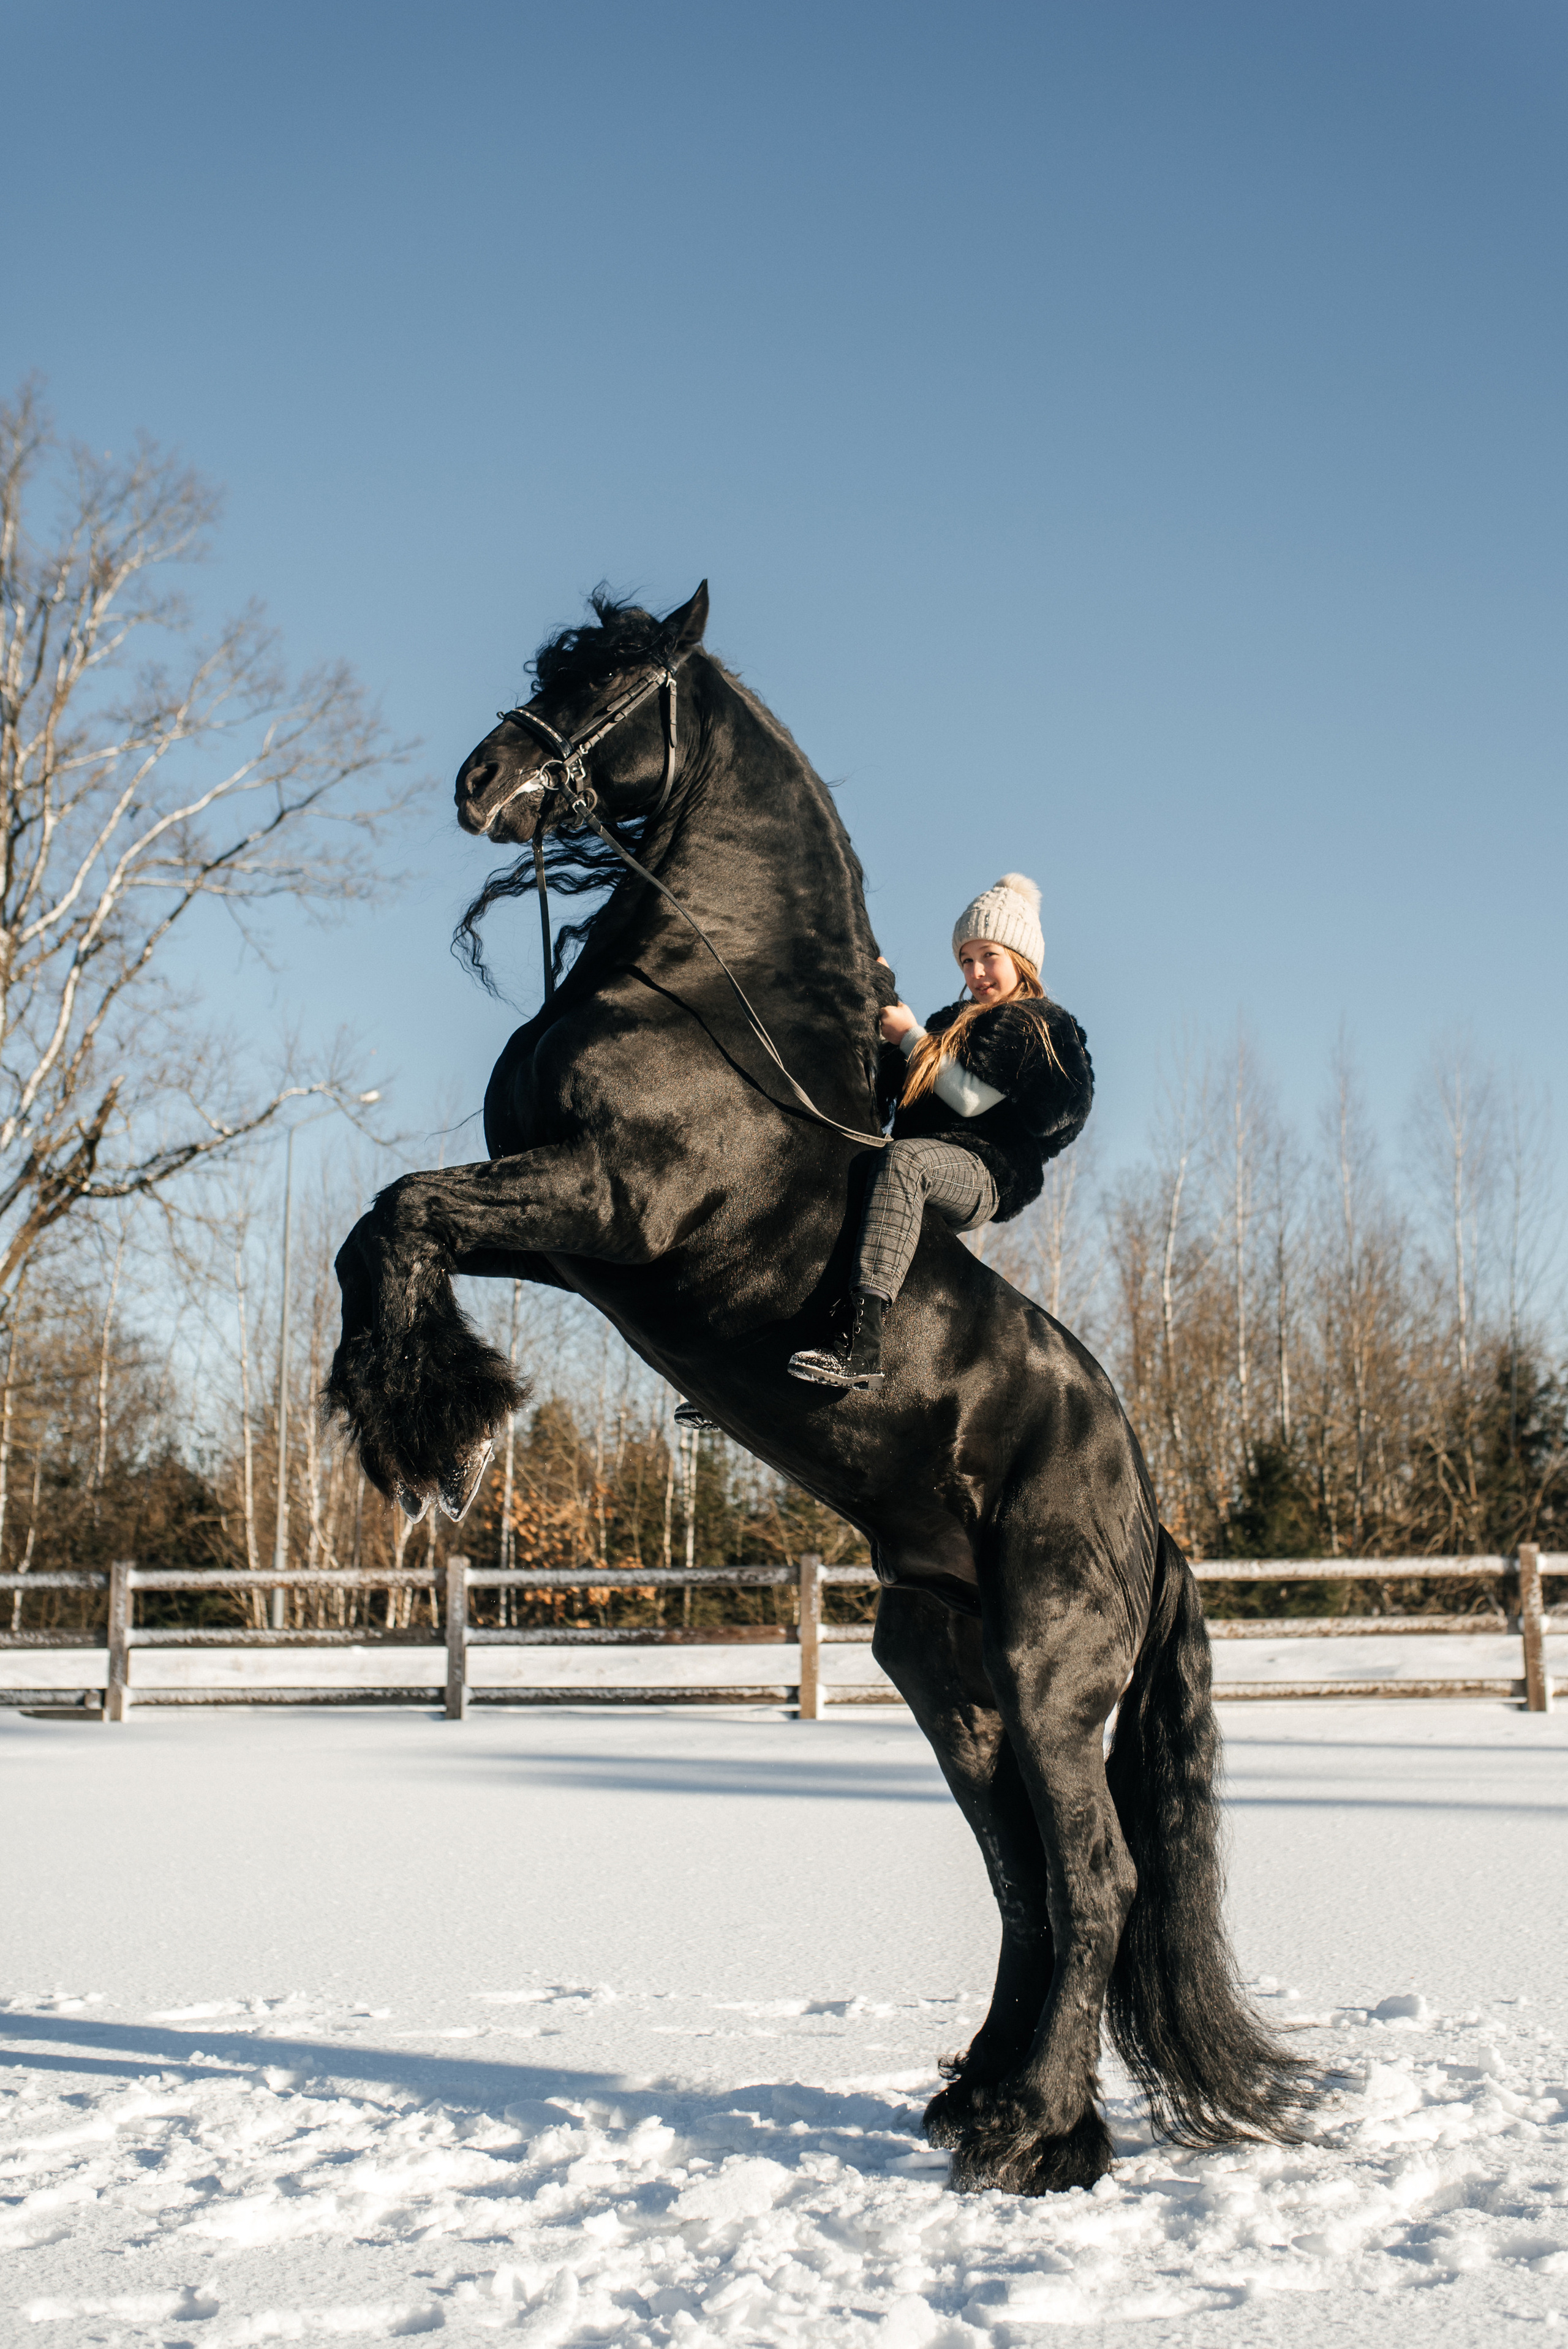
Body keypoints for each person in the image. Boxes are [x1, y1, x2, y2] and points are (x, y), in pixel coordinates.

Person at [786, 873, 1093, 1391]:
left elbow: (973, 1098)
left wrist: (909, 1036)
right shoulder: (950, 1022)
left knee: (908, 1160)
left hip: (986, 1169)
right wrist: (874, 996)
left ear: (1020, 958)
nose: (976, 972)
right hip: (918, 1155)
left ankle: (862, 1349)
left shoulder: (1037, 1023)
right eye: (966, 960)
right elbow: (891, 1086)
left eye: (988, 956)